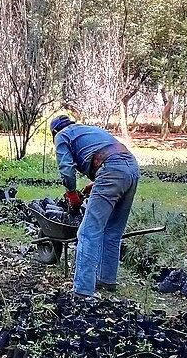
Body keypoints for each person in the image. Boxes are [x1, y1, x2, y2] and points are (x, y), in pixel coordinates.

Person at [50, 115, 139, 296]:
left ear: (54, 132)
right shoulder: (88, 129)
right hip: (132, 169)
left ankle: (82, 290)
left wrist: (72, 194)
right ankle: (107, 280)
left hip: (111, 169)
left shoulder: (62, 136)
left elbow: (66, 170)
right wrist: (98, 181)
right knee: (113, 231)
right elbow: (110, 153)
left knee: (87, 232)